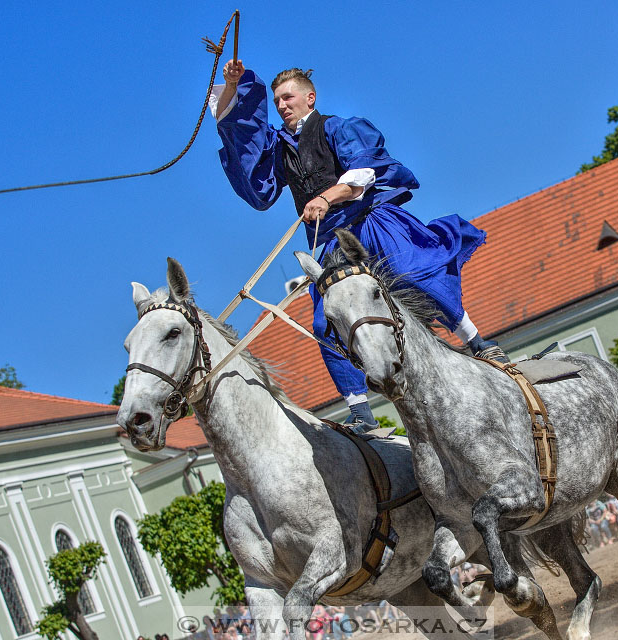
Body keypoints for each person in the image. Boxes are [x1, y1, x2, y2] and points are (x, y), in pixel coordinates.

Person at [210, 61, 505, 431]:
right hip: (330, 240)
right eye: (277, 100)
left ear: (309, 97)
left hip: (370, 221)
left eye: (288, 97)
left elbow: (362, 173)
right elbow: (243, 138)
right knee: (325, 320)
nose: (282, 105)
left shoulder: (337, 127)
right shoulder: (279, 146)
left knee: (413, 274)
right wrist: (233, 87)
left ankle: (478, 343)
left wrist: (327, 197)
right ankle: (361, 411)